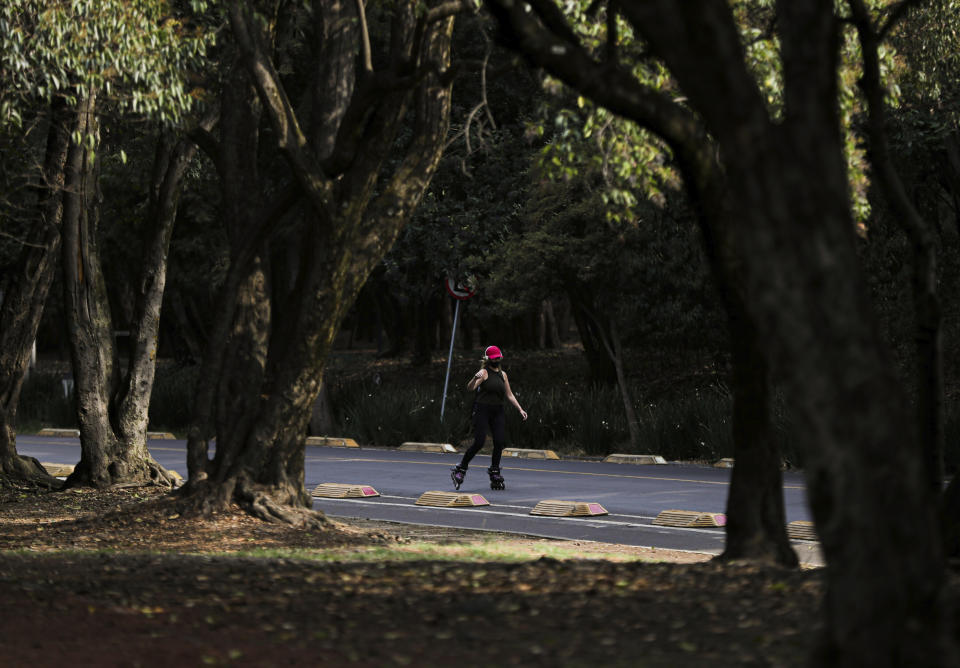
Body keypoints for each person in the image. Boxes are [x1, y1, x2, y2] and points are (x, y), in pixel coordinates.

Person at [451, 345, 527, 491]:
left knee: (499, 442)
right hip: (482, 410)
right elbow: (470, 388)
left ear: (501, 357)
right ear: (488, 359)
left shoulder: (503, 375)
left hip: (497, 411)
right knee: (479, 442)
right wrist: (475, 378)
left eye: (498, 358)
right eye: (493, 359)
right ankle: (461, 469)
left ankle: (495, 471)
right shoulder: (484, 372)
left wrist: (520, 409)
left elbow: (509, 394)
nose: (496, 360)